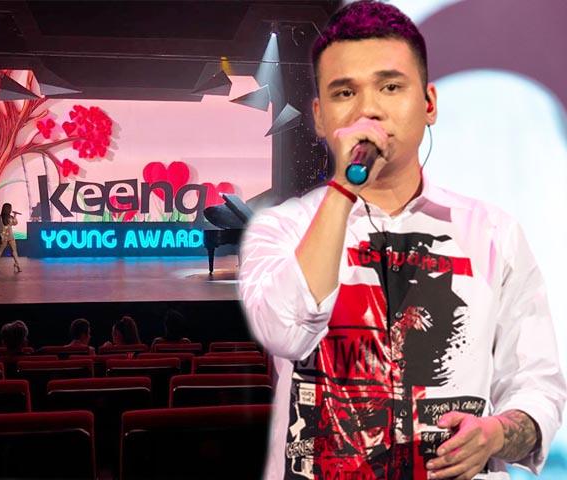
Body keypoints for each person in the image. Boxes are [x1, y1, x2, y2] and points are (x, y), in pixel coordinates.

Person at [238, 2, 566, 479]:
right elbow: (284, 332)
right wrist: (344, 189)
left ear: (429, 104)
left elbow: (537, 386)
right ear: (320, 118)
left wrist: (496, 433)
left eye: (390, 86)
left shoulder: (493, 233)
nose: (368, 108)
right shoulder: (280, 229)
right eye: (344, 92)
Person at [0, 202, 22, 273]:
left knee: (14, 250)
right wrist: (2, 237)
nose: (11, 209)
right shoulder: (0, 218)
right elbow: (0, 229)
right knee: (0, 250)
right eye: (10, 208)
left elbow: (15, 223)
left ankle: (17, 264)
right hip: (4, 237)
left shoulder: (10, 217)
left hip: (11, 236)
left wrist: (15, 216)